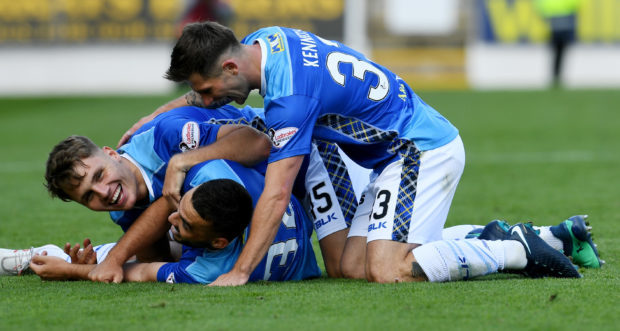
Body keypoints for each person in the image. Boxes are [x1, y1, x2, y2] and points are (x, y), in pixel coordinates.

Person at [116, 22, 469, 285]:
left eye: (208, 91)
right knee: (350, 267)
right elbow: (204, 95)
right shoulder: (265, 39)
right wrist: (156, 115)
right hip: (387, 157)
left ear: (230, 68)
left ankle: (510, 250)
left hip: (419, 149)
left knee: (386, 270)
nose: (206, 102)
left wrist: (240, 271)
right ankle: (474, 236)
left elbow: (278, 192)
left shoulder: (291, 100)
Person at [28, 178, 321, 284]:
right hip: (299, 244)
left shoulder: (208, 271)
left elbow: (141, 272)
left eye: (185, 222)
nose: (170, 218)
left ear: (218, 242)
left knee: (158, 253)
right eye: (180, 208)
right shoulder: (242, 178)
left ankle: (52, 259)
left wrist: (71, 273)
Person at [534, 0, 581, 86]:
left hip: (552, 19)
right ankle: (557, 75)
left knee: (557, 50)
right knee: (560, 50)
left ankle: (556, 75)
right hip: (565, 18)